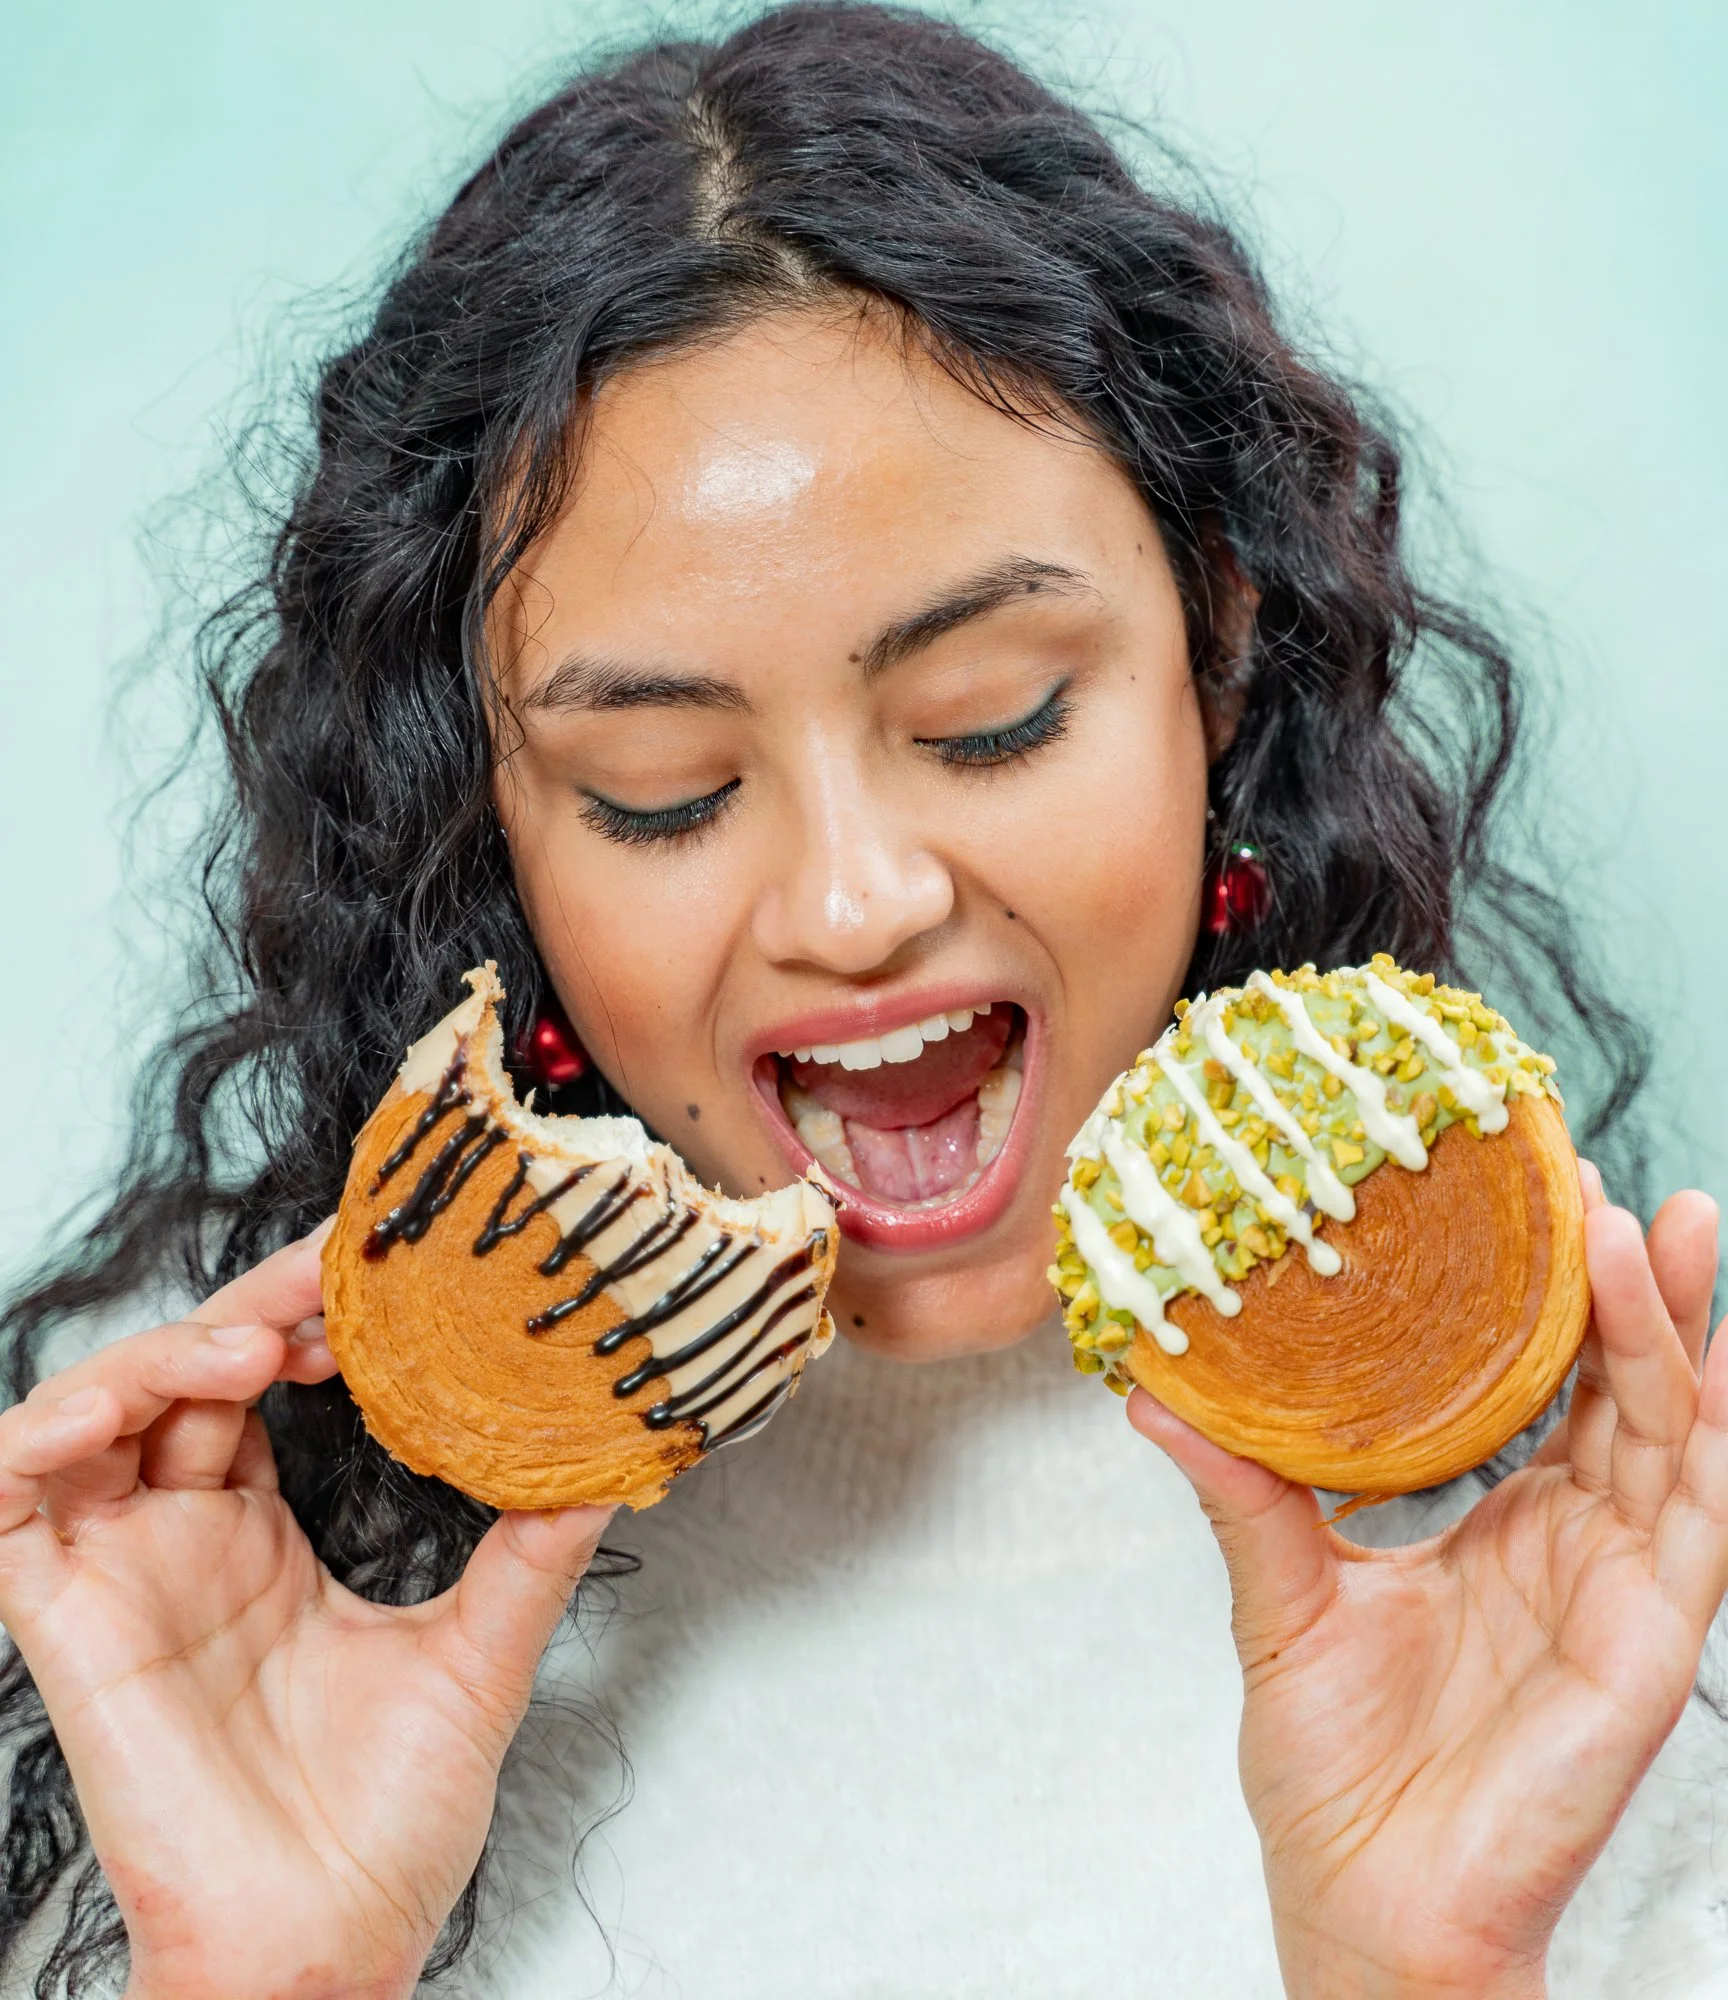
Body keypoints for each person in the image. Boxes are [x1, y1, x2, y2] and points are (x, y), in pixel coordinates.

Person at [2, 6, 1724, 1995]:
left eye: (990, 720)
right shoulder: (193, 1593)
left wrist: (1440, 1973)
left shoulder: (1606, 1603)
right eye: (664, 789)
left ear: (1219, 656)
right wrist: (264, 1976)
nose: (856, 897)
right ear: (495, 836)